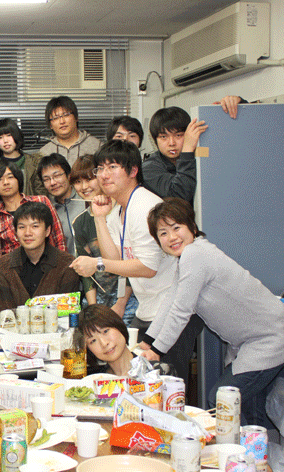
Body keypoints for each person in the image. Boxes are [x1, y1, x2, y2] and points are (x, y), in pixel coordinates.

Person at [140, 198, 284, 426]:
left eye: (176, 227)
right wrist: (148, 341)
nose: (172, 237)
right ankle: (254, 448)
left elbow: (181, 311)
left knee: (222, 400)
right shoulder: (189, 257)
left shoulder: (195, 255)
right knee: (247, 408)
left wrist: (157, 350)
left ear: (192, 227)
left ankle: (240, 448)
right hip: (258, 339)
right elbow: (171, 300)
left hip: (271, 337)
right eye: (163, 233)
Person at [69, 140, 201, 382]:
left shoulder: (145, 207)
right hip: (149, 307)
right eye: (100, 168)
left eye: (113, 167)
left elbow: (148, 268)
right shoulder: (119, 209)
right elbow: (116, 260)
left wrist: (97, 264)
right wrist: (99, 218)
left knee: (167, 381)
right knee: (140, 375)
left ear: (133, 171)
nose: (104, 175)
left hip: (173, 306)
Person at [0, 161, 66, 314]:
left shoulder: (41, 201)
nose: (6, 182)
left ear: (19, 179)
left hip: (48, 276)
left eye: (10, 177)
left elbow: (59, 240)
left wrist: (62, 274)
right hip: (16, 285)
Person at [70, 155, 134, 323]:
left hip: (129, 297)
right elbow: (86, 273)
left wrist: (121, 304)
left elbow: (131, 263)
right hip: (98, 299)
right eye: (78, 182)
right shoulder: (80, 222)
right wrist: (94, 308)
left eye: (89, 179)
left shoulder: (122, 211)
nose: (84, 187)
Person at [0, 201, 80, 311]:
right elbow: (6, 313)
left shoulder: (66, 264)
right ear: (15, 232)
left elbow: (67, 311)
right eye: (22, 227)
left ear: (47, 231)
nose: (27, 233)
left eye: (35, 226)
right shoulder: (2, 266)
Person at [78, 304, 173, 377]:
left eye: (105, 331)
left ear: (119, 326)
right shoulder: (93, 380)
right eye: (93, 341)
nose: (104, 343)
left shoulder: (159, 372)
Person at [142, 106, 207, 204]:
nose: (172, 143)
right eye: (164, 137)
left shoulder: (200, 159)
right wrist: (187, 150)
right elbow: (180, 195)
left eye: (178, 135)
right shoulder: (148, 168)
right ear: (155, 140)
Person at [37, 152, 87, 254]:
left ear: (69, 175)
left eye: (57, 175)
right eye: (46, 179)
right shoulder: (47, 211)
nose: (52, 182)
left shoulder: (85, 199)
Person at [38, 96, 102, 165]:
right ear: (50, 125)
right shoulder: (44, 153)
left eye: (66, 115)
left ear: (76, 117)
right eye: (56, 118)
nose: (62, 121)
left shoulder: (97, 146)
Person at [0, 117, 45, 196]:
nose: (5, 141)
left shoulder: (34, 162)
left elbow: (40, 194)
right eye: (0, 137)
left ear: (16, 135)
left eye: (9, 135)